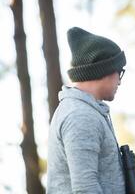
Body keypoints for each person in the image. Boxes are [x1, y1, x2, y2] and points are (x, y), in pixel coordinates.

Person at [47, 27, 126, 193]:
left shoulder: (83, 111)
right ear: (105, 70)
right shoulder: (80, 115)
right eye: (120, 72)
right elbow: (85, 188)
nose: (119, 81)